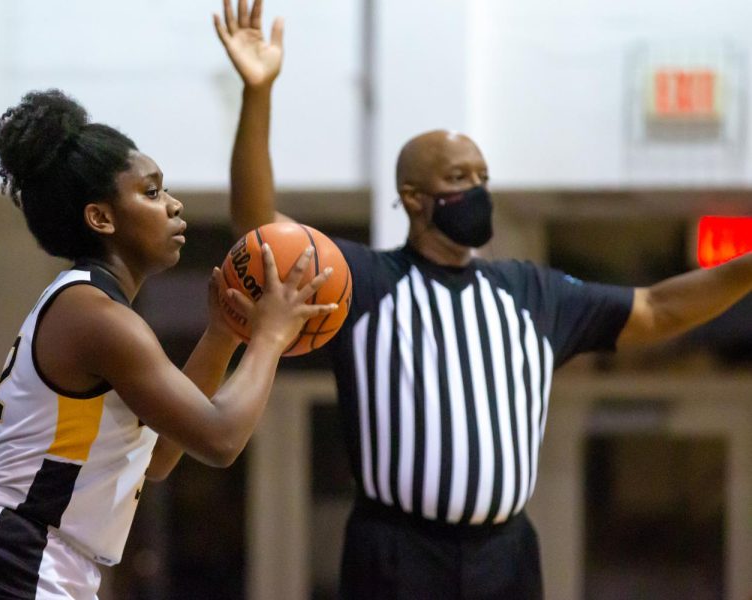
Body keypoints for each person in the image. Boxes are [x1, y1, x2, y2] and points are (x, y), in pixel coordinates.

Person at [213, 1, 752, 597]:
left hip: (507, 554)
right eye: (460, 179)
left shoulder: (530, 292)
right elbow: (256, 226)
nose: (479, 190)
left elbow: (657, 308)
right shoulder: (366, 281)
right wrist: (257, 93)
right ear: (414, 198)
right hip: (395, 552)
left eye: (483, 177)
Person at [0, 89, 336, 599]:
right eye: (152, 192)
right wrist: (270, 336)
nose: (174, 203)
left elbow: (160, 456)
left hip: (33, 552)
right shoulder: (95, 316)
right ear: (101, 218)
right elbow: (221, 438)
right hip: (13, 548)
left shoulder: (93, 310)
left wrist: (224, 334)